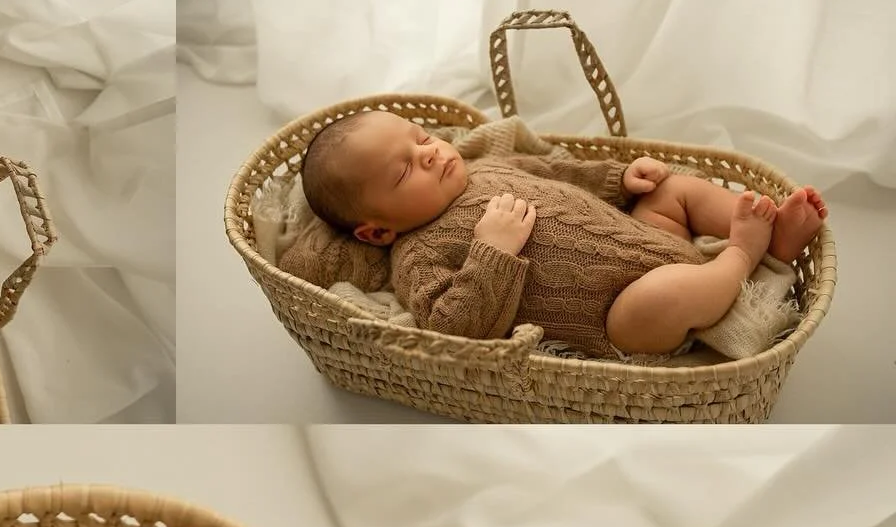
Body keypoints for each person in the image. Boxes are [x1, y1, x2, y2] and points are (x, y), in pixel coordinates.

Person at [300, 109, 827, 358]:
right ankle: (742, 255)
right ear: (375, 232)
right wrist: (491, 252)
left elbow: (556, 170)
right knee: (657, 298)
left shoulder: (484, 167)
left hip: (650, 238)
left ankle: (774, 238)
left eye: (422, 138)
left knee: (674, 190)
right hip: (621, 316)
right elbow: (454, 329)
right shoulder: (415, 257)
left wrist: (617, 178)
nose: (431, 152)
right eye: (402, 172)